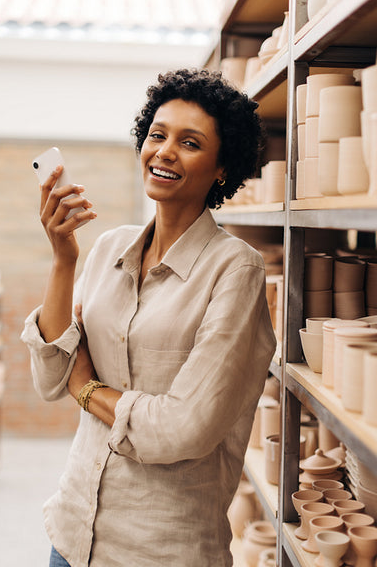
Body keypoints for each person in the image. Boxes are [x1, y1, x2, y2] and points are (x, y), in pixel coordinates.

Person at [21, 68, 276, 567]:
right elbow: (51, 378)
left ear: (222, 167)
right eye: (157, 135)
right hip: (72, 534)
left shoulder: (236, 269)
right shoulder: (109, 248)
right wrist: (63, 258)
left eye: (190, 142)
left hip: (160, 549)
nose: (164, 151)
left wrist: (88, 388)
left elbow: (183, 428)